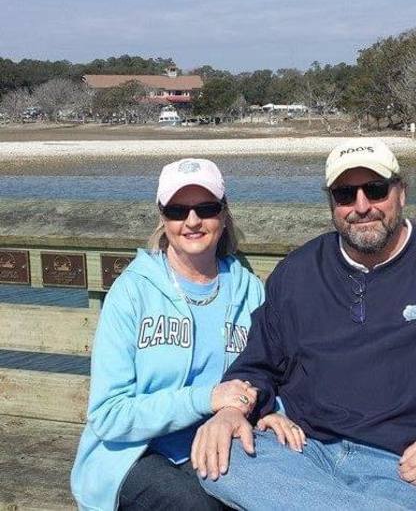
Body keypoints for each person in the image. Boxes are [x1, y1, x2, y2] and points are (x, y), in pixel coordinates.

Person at [192, 139, 416, 511]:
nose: (361, 206)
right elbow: (258, 363)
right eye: (345, 194)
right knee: (222, 459)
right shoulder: (298, 273)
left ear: (401, 193)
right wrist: (234, 410)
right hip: (304, 452)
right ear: (331, 203)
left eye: (375, 189)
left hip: (406, 468)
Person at [71, 158, 303, 511]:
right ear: (163, 217)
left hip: (219, 445)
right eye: (178, 211)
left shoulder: (249, 290)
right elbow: (108, 414)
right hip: (133, 455)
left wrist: (273, 410)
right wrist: (205, 399)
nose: (192, 221)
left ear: (223, 214)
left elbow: (271, 370)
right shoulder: (132, 292)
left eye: (206, 208)